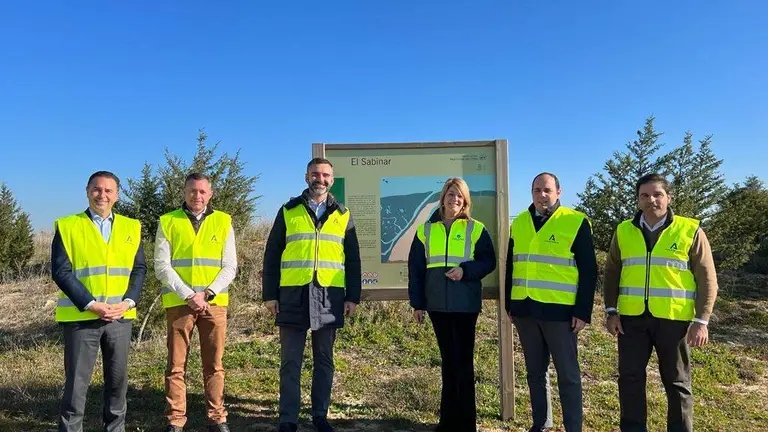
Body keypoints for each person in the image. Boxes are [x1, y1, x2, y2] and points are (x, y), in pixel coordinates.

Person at [604, 173, 718, 432]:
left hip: (673, 321)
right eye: (644, 195)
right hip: (631, 320)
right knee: (630, 379)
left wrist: (701, 321)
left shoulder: (690, 230)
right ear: (638, 200)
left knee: (677, 382)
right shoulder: (623, 231)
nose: (651, 200)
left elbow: (707, 278)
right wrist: (611, 310)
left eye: (657, 194)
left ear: (669, 198)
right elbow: (612, 273)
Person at [262, 157, 362, 432]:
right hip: (292, 295)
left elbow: (353, 259)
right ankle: (288, 419)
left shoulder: (343, 214)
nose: (321, 179)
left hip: (329, 297)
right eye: (315, 174)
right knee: (290, 362)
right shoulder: (288, 211)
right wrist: (270, 295)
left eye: (326, 175)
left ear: (332, 179)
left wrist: (352, 296)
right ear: (307, 177)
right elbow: (272, 254)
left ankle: (320, 416)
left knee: (324, 361)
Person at [51, 170, 146, 432]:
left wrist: (128, 302)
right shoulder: (68, 226)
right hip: (82, 318)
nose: (101, 195)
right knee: (76, 385)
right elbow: (61, 271)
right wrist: (91, 304)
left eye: (108, 190)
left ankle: (115, 429)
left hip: (119, 318)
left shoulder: (131, 226)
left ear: (117, 195)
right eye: (96, 189)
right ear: (87, 191)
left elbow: (139, 269)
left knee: (117, 382)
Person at [506, 172, 597, 432]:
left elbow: (589, 270)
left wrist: (583, 311)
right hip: (525, 310)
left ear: (558, 192)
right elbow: (511, 265)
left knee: (568, 375)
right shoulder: (520, 222)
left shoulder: (575, 221)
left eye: (547, 190)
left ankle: (573, 428)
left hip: (561, 313)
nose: (542, 195)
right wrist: (510, 304)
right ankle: (540, 424)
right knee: (535, 373)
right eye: (537, 190)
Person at [408, 177, 496, 432]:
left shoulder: (476, 228)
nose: (454, 199)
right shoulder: (425, 230)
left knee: (464, 364)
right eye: (450, 194)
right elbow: (416, 269)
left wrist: (465, 270)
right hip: (437, 306)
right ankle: (447, 423)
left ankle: (467, 425)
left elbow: (488, 261)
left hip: (465, 306)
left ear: (465, 200)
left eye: (459, 195)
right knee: (448, 363)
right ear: (443, 197)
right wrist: (418, 304)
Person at [155, 173, 237, 432]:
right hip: (180, 303)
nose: (197, 196)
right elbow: (162, 266)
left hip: (214, 303)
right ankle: (176, 419)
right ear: (184, 192)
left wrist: (207, 293)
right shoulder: (168, 221)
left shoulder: (223, 221)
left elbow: (230, 266)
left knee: (214, 365)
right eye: (192, 190)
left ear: (210, 194)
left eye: (202, 191)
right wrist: (189, 295)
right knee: (175, 365)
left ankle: (217, 417)